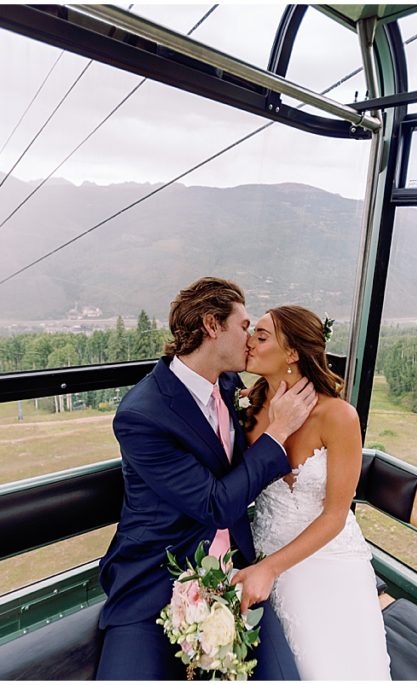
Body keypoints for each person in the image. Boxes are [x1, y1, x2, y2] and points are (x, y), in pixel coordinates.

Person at [96, 277, 316, 680]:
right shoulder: (142, 415)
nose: (249, 338)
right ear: (213, 326)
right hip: (155, 582)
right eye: (244, 326)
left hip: (238, 577)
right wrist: (277, 434)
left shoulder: (230, 384)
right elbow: (215, 504)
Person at [232, 305, 392, 680]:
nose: (249, 342)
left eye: (261, 335)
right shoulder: (245, 410)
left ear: (292, 353)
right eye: (250, 332)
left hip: (330, 554)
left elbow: (336, 515)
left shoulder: (338, 416)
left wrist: (268, 569)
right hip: (266, 546)